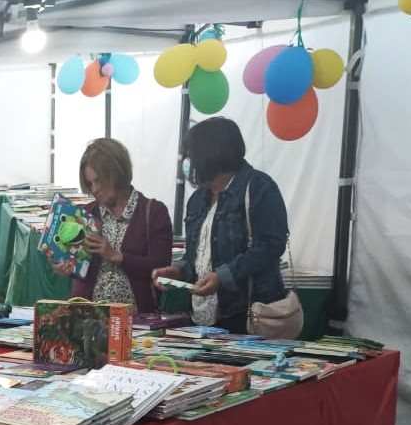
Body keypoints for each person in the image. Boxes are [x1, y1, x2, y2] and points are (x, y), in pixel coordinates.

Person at [152, 116, 291, 334]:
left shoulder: (258, 187)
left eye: (190, 155)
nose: (186, 162)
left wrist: (224, 276)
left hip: (247, 314)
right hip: (203, 317)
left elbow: (270, 247)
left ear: (211, 154)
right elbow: (195, 258)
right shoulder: (197, 200)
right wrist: (177, 271)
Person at [71, 138, 173, 317]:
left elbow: (161, 268)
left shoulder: (153, 212)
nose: (94, 189)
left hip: (137, 322)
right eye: (89, 184)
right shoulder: (86, 214)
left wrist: (117, 256)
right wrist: (66, 265)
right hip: (88, 321)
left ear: (116, 174)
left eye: (98, 181)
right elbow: (78, 270)